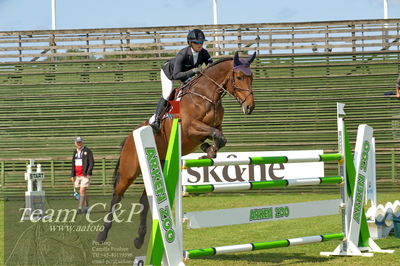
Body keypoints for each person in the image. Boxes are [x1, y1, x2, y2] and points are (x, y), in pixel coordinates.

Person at [149, 29, 213, 132]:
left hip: (186, 74)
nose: (199, 45)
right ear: (190, 43)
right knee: (167, 93)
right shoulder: (182, 54)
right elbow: (177, 75)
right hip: (170, 73)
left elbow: (211, 66)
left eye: (201, 42)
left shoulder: (204, 53)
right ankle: (156, 120)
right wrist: (193, 71)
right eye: (196, 42)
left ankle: (183, 116)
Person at [70, 137, 94, 214]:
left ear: (83, 142)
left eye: (80, 142)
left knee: (82, 190)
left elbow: (91, 162)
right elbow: (73, 164)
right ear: (75, 143)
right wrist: (72, 175)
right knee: (82, 192)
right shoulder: (75, 152)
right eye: (77, 142)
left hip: (85, 175)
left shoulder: (88, 151)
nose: (79, 144)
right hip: (77, 175)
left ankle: (80, 208)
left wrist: (89, 173)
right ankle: (87, 207)